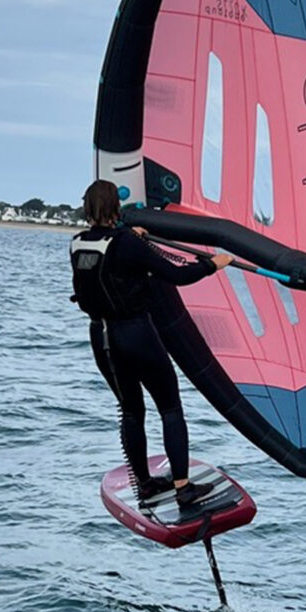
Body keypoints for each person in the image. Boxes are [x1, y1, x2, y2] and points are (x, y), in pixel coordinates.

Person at [70, 180, 232, 505]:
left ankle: (144, 484)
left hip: (101, 339)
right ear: (116, 207)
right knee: (170, 407)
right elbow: (177, 276)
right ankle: (184, 488)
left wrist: (135, 240)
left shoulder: (78, 244)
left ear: (88, 208)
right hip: (136, 334)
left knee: (131, 412)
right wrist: (214, 264)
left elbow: (112, 260)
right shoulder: (128, 243)